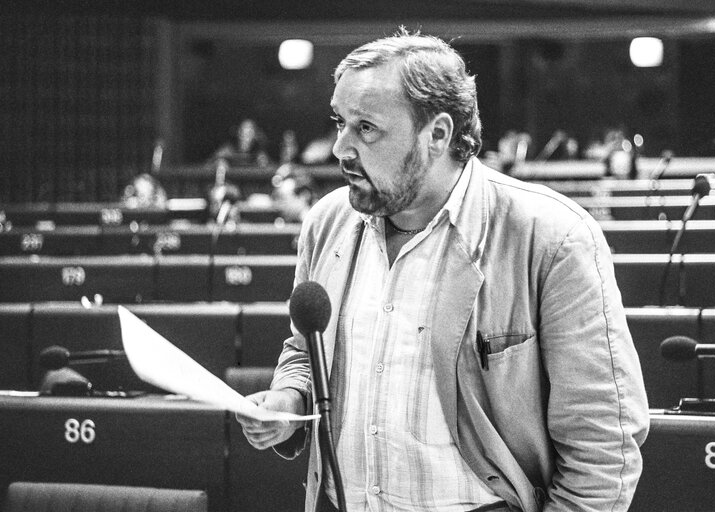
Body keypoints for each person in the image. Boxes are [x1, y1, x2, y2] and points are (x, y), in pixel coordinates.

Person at [237, 28, 649, 512]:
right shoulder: (327, 223)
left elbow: (604, 448)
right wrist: (290, 399)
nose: (340, 148)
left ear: (437, 134)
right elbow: (305, 352)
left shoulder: (552, 238)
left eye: (366, 128)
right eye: (340, 123)